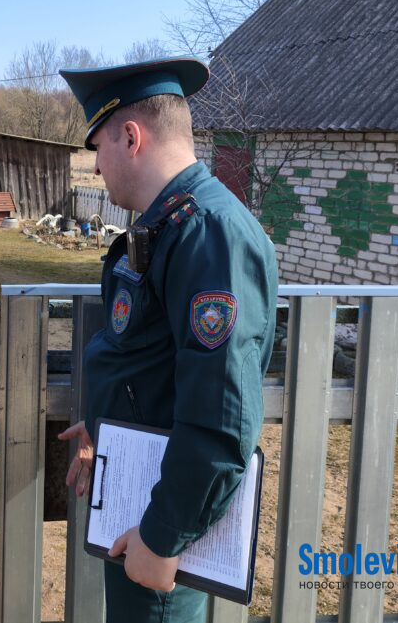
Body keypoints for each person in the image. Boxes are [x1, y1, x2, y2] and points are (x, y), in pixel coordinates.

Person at [57, 58, 278, 622]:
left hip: (161, 524)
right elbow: (156, 363)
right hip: (144, 500)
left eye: (97, 147)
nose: (98, 166)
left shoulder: (208, 233)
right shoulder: (173, 225)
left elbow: (221, 416)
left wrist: (163, 537)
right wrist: (108, 422)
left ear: (130, 137)